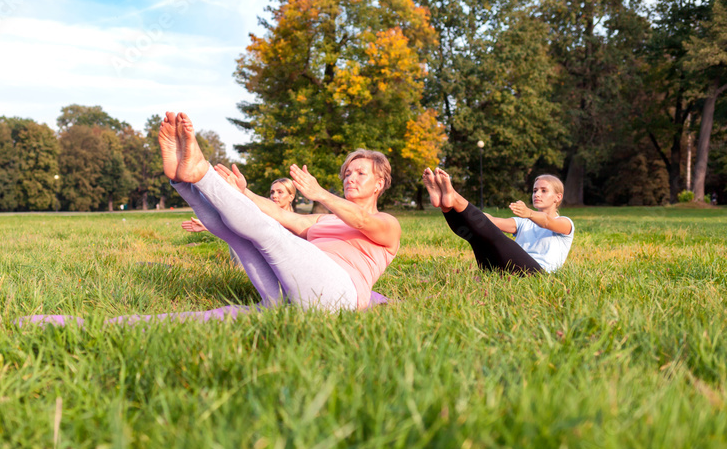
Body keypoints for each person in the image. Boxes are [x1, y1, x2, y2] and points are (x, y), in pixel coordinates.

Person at [160, 112, 400, 310]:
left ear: (379, 184)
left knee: (270, 233)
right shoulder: (326, 220)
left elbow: (360, 220)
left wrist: (320, 193)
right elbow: (281, 215)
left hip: (340, 293)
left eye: (360, 173)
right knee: (237, 237)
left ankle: (201, 173)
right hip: (292, 290)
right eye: (347, 173)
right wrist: (243, 193)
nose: (350, 178)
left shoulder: (388, 223)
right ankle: (184, 183)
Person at [422, 167, 573, 274]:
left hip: (539, 274)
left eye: (543, 190)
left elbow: (547, 221)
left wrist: (529, 213)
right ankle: (445, 205)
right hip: (507, 269)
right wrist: (475, 216)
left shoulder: (566, 223)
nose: (537, 194)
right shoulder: (523, 222)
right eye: (535, 191)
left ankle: (454, 197)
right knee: (474, 235)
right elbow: (492, 222)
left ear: (558, 197)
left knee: (497, 238)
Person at [181, 177, 297, 233]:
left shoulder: (298, 223)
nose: (274, 196)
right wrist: (208, 226)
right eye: (272, 192)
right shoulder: (264, 216)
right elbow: (240, 226)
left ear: (291, 197)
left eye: (280, 192)